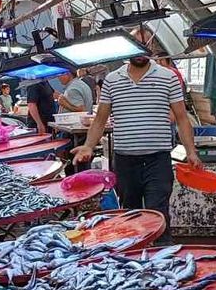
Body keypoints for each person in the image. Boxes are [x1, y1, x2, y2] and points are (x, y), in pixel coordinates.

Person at [71, 48, 202, 244]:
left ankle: (163, 254)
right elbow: (100, 119)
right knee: (129, 213)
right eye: (135, 47)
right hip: (125, 161)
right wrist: (88, 145)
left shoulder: (168, 77)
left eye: (144, 48)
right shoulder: (112, 80)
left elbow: (182, 118)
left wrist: (191, 151)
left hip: (158, 159)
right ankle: (132, 254)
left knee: (158, 211)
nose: (140, 53)